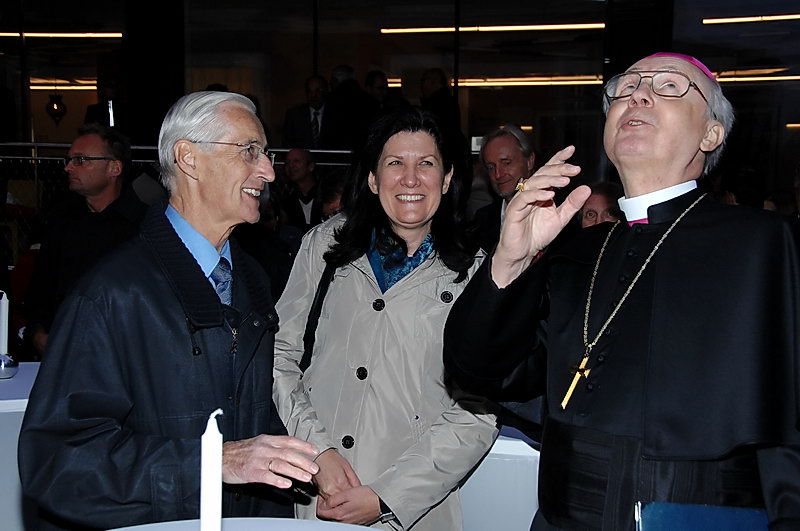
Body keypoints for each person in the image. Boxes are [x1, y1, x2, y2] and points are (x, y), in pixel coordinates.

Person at [443, 52, 800, 530]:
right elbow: (480, 373)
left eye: (668, 86)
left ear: (711, 134)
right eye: (626, 87)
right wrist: (510, 260)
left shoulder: (767, 244)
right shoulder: (575, 252)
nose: (639, 94)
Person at [19, 91, 320, 530]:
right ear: (188, 158)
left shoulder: (253, 279)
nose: (269, 171)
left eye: (266, 153)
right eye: (249, 151)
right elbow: (57, 463)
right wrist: (210, 462)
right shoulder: (112, 294)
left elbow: (253, 425)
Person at [273, 107, 497, 530]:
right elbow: (280, 357)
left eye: (425, 164)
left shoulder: (476, 274)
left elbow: (478, 414)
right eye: (395, 163)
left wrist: (389, 495)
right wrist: (317, 452)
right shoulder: (324, 247)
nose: (410, 179)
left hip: (413, 512)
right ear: (373, 179)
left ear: (446, 178)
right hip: (320, 494)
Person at [25, 123, 146, 356]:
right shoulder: (59, 221)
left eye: (80, 160)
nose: (68, 167)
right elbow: (39, 290)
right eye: (69, 160)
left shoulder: (142, 227)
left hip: (119, 353)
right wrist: (37, 334)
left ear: (114, 168)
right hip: (59, 349)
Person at [472, 124, 536, 252]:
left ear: (529, 161)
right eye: (491, 167)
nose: (498, 174)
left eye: (506, 163)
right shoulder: (482, 220)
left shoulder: (556, 213)